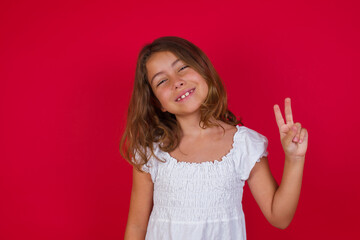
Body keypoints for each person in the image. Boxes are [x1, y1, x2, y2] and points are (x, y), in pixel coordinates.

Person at [120, 36, 308, 240]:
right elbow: (137, 226)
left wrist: (294, 159)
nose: (177, 82)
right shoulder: (151, 152)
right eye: (162, 81)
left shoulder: (243, 145)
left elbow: (279, 217)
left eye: (182, 68)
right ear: (158, 104)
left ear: (203, 70)